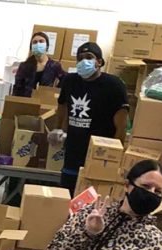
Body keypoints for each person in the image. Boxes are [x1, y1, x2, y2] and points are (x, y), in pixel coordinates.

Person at [49, 42, 129, 195]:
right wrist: (58, 129)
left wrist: (115, 156)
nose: (83, 61)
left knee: (91, 203)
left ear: (99, 62)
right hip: (73, 151)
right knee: (67, 197)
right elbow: (62, 106)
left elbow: (121, 126)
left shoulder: (114, 86)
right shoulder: (70, 81)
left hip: (99, 156)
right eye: (80, 58)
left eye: (89, 57)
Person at [12, 32, 66, 97]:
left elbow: (65, 79)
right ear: (31, 48)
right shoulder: (24, 66)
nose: (38, 44)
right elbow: (17, 88)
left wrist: (55, 92)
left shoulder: (54, 65)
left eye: (41, 41)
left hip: (45, 101)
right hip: (27, 101)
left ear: (47, 46)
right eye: (35, 42)